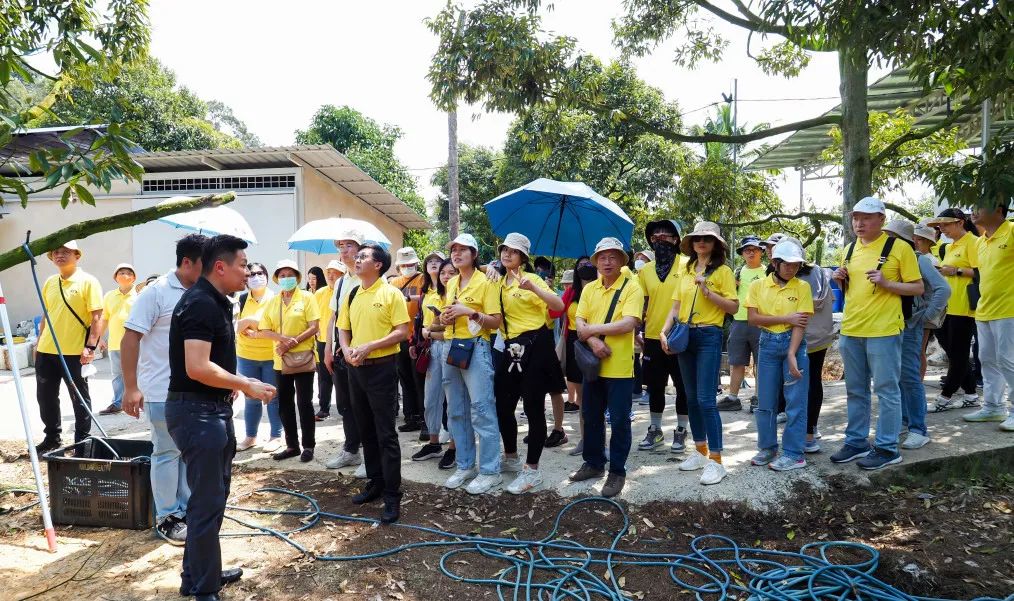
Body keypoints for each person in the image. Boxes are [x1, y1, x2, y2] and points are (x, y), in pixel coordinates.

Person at [166, 234, 276, 600]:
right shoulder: (200, 303)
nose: (248, 272)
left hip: (210, 410)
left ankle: (199, 575)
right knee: (206, 503)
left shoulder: (215, 301)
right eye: (243, 265)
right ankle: (205, 589)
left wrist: (234, 382)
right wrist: (245, 383)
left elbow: (212, 361)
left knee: (210, 499)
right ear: (220, 267)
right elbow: (197, 367)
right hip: (197, 414)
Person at [122, 234, 206, 545]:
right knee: (167, 451)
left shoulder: (201, 291)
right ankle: (167, 517)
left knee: (187, 452)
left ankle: (185, 509)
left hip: (194, 389)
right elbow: (130, 339)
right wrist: (131, 387)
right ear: (187, 262)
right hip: (162, 390)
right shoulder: (156, 293)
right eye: (206, 263)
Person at [831, 197, 923, 470]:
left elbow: (917, 288)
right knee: (855, 390)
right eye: (856, 217)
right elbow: (853, 291)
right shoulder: (849, 249)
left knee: (887, 390)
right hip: (851, 329)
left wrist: (887, 283)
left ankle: (887, 447)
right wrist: (841, 280)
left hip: (884, 330)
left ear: (882, 219)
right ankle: (856, 441)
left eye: (866, 218)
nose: (859, 223)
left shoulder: (899, 247)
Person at [660, 222, 739, 485]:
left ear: (715, 243)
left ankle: (716, 460)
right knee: (690, 398)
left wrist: (707, 291)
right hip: (684, 335)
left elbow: (733, 307)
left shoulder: (723, 271)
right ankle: (700, 450)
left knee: (706, 400)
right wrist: (663, 331)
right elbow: (676, 306)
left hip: (708, 335)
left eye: (707, 238)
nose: (701, 242)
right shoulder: (685, 269)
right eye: (697, 238)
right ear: (691, 243)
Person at [337, 244, 410, 523]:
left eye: (363, 256)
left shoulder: (391, 293)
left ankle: (392, 494)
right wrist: (346, 350)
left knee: (385, 434)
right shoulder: (353, 293)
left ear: (378, 265)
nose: (356, 259)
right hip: (355, 370)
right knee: (365, 429)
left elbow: (402, 331)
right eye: (357, 256)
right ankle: (375, 483)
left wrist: (370, 346)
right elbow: (343, 328)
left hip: (382, 370)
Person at [568, 237, 643, 498]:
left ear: (622, 261)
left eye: (613, 257)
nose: (607, 262)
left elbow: (629, 323)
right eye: (602, 257)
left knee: (620, 420)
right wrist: (593, 341)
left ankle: (617, 471)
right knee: (591, 415)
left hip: (620, 367)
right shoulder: (590, 289)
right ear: (596, 262)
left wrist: (592, 331)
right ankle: (594, 463)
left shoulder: (632, 287)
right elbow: (579, 322)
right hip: (593, 365)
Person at [490, 234, 565, 494]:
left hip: (536, 345)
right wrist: (489, 268)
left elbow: (558, 306)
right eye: (504, 250)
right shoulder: (497, 281)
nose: (507, 254)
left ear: (523, 257)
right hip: (510, 347)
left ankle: (532, 470)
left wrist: (535, 288)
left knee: (533, 407)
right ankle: (511, 457)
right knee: (503, 405)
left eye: (513, 251)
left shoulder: (532, 279)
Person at [439, 233, 504, 495]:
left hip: (476, 347)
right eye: (453, 250)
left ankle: (490, 471)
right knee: (456, 409)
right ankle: (465, 465)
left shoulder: (487, 281)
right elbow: (448, 316)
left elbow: (496, 321)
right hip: (451, 346)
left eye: (463, 250)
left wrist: (471, 312)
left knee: (482, 409)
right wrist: (444, 318)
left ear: (474, 254)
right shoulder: (452, 282)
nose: (456, 254)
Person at [746, 239, 813, 471]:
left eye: (795, 265)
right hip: (767, 343)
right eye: (786, 264)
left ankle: (794, 454)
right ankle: (767, 447)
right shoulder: (758, 286)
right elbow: (753, 319)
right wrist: (786, 318)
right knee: (765, 401)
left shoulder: (802, 287)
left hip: (794, 343)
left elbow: (800, 323)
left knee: (795, 401)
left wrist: (792, 353)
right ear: (775, 263)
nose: (791, 268)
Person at [883, 220, 949, 450]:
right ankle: (906, 421)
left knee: (910, 376)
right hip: (892, 324)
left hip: (910, 325)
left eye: (890, 235)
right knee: (898, 376)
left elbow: (943, 289)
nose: (886, 239)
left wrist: (925, 315)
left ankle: (918, 429)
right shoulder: (892, 259)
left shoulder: (919, 260)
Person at [34, 240, 103, 452]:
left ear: (77, 256)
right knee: (45, 397)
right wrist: (38, 343)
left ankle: (82, 441)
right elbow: (47, 314)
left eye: (66, 251)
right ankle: (52, 438)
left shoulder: (88, 281)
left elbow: (97, 317)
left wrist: (90, 347)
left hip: (75, 352)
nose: (60, 255)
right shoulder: (50, 282)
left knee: (79, 398)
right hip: (47, 350)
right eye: (56, 252)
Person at [636, 219, 691, 453]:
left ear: (676, 240)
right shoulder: (645, 270)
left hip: (679, 336)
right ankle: (655, 429)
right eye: (655, 237)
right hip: (652, 336)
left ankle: (681, 430)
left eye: (665, 236)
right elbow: (641, 302)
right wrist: (637, 329)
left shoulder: (687, 264)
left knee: (682, 386)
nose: (659, 240)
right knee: (655, 386)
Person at [258, 260, 320, 462]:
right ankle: (292, 445)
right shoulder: (273, 302)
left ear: (297, 277)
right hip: (280, 360)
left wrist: (292, 342)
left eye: (290, 275)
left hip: (303, 359)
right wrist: (283, 340)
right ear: (277, 279)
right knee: (284, 403)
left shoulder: (307, 297)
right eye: (282, 275)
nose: (286, 278)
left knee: (304, 403)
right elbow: (264, 329)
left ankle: (308, 445)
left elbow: (314, 326)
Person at [926, 208, 981, 411]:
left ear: (960, 222)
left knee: (958, 354)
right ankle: (971, 394)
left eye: (946, 224)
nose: (942, 228)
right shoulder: (949, 247)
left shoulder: (974, 242)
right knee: (954, 353)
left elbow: (981, 272)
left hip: (965, 307)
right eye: (940, 225)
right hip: (947, 307)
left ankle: (945, 398)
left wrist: (955, 270)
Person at [966, 200, 1014, 429]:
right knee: (986, 360)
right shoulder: (980, 242)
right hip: (985, 309)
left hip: (1009, 309)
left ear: (998, 209)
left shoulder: (1012, 231)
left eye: (979, 206)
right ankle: (994, 407)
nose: (973, 211)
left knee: (1009, 360)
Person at [324, 229, 366, 475]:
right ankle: (351, 450)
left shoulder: (369, 278)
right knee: (345, 404)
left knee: (365, 404)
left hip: (362, 352)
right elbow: (334, 317)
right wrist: (328, 348)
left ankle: (370, 455)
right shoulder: (340, 282)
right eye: (341, 245)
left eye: (350, 245)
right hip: (340, 353)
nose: (344, 250)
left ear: (360, 250)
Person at [413, 254, 457, 466]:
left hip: (453, 349)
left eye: (451, 272)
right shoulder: (431, 295)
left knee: (454, 400)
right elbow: (429, 324)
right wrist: (427, 332)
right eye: (443, 273)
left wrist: (430, 332)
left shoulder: (459, 295)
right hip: (433, 350)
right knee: (431, 399)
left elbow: (450, 330)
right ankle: (433, 443)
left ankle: (454, 447)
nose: (446, 276)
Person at [234, 262, 282, 452]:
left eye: (260, 273)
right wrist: (249, 321)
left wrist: (254, 327)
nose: (256, 277)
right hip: (246, 356)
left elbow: (276, 327)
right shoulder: (241, 299)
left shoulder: (276, 298)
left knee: (273, 396)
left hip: (271, 355)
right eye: (251, 274)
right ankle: (250, 437)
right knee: (251, 397)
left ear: (267, 275)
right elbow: (233, 327)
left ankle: (276, 436)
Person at [719, 236, 767, 413]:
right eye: (747, 250)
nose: (751, 253)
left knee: (761, 362)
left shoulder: (768, 272)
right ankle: (733, 397)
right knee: (736, 361)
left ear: (761, 252)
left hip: (761, 321)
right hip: (739, 321)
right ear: (742, 254)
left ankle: (759, 397)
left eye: (755, 249)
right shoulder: (737, 272)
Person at [390, 247, 427, 433]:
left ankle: (424, 417)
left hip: (417, 337)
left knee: (419, 379)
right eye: (403, 265)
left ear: (417, 263)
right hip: (399, 338)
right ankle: (410, 416)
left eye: (410, 264)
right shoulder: (394, 283)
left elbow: (429, 297)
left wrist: (410, 297)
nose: (407, 267)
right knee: (404, 379)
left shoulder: (423, 279)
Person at [97, 263, 137, 415]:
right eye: (121, 273)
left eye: (129, 273)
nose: (125, 275)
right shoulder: (109, 296)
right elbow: (104, 318)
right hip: (115, 343)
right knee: (117, 375)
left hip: (135, 343)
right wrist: (100, 338)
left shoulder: (139, 295)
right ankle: (118, 403)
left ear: (134, 278)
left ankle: (141, 402)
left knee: (138, 373)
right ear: (115, 277)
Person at [912, 224, 947, 379]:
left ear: (929, 242)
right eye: (914, 238)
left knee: (919, 350)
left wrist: (928, 314)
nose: (915, 241)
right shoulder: (915, 257)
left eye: (919, 239)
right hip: (917, 311)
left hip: (924, 310)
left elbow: (940, 289)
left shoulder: (930, 261)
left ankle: (918, 381)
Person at [313, 260, 345, 421]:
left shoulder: (345, 290)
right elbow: (313, 314)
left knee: (340, 376)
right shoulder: (320, 293)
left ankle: (344, 408)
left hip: (340, 340)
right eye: (329, 273)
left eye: (335, 273)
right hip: (322, 340)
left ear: (342, 275)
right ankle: (324, 408)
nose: (331, 276)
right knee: (323, 376)